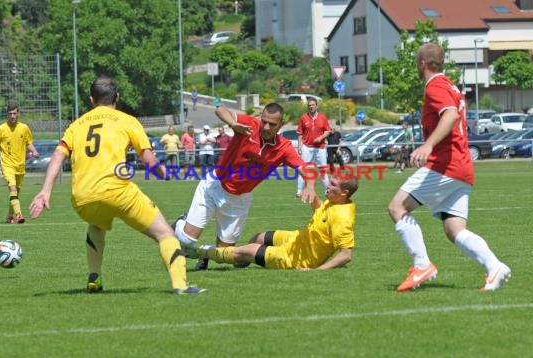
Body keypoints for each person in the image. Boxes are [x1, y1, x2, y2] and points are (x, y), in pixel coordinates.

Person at [28, 76, 205, 295]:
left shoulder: (76, 125)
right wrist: (165, 174)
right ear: (117, 97)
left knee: (96, 226)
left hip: (82, 197)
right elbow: (149, 161)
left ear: (91, 100)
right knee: (166, 234)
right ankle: (181, 286)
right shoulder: (127, 120)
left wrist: (45, 191)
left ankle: (94, 276)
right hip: (118, 192)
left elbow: (57, 156)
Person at [387, 43, 510, 292]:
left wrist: (428, 145)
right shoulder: (451, 86)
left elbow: (451, 115)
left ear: (422, 63)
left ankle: (422, 265)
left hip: (445, 165)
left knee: (397, 207)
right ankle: (494, 265)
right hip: (462, 167)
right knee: (455, 230)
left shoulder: (435, 86)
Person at [173, 103, 317, 270]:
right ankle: (179, 223)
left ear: (282, 124)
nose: (266, 126)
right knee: (185, 239)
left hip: (239, 199)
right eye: (264, 121)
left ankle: (204, 253)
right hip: (214, 186)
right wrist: (232, 124)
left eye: (272, 124)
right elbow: (220, 109)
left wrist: (310, 186)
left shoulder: (283, 147)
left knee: (224, 255)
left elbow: (307, 168)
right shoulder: (249, 125)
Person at [188, 173, 357, 270]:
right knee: (257, 238)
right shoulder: (335, 201)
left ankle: (201, 252)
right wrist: (312, 197)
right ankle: (240, 262)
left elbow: (345, 255)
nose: (328, 185)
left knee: (242, 251)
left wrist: (317, 271)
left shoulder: (343, 218)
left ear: (344, 192)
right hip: (297, 239)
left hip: (295, 258)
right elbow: (321, 210)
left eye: (333, 185)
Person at [0, 103, 40, 224]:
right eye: (10, 113)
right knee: (12, 189)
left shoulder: (24, 128)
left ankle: (9, 216)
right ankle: (19, 215)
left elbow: (28, 143)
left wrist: (34, 151)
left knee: (15, 193)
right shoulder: (1, 129)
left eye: (14, 113)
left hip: (20, 166)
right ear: (7, 114)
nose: (12, 116)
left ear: (18, 114)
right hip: (7, 165)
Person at [296, 97, 331, 197]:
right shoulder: (303, 118)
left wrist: (321, 138)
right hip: (307, 147)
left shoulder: (322, 118)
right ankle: (299, 191)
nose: (311, 107)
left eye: (313, 105)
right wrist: (300, 146)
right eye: (309, 105)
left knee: (323, 170)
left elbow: (328, 131)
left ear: (317, 106)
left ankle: (327, 191)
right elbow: (299, 133)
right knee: (303, 168)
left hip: (320, 147)